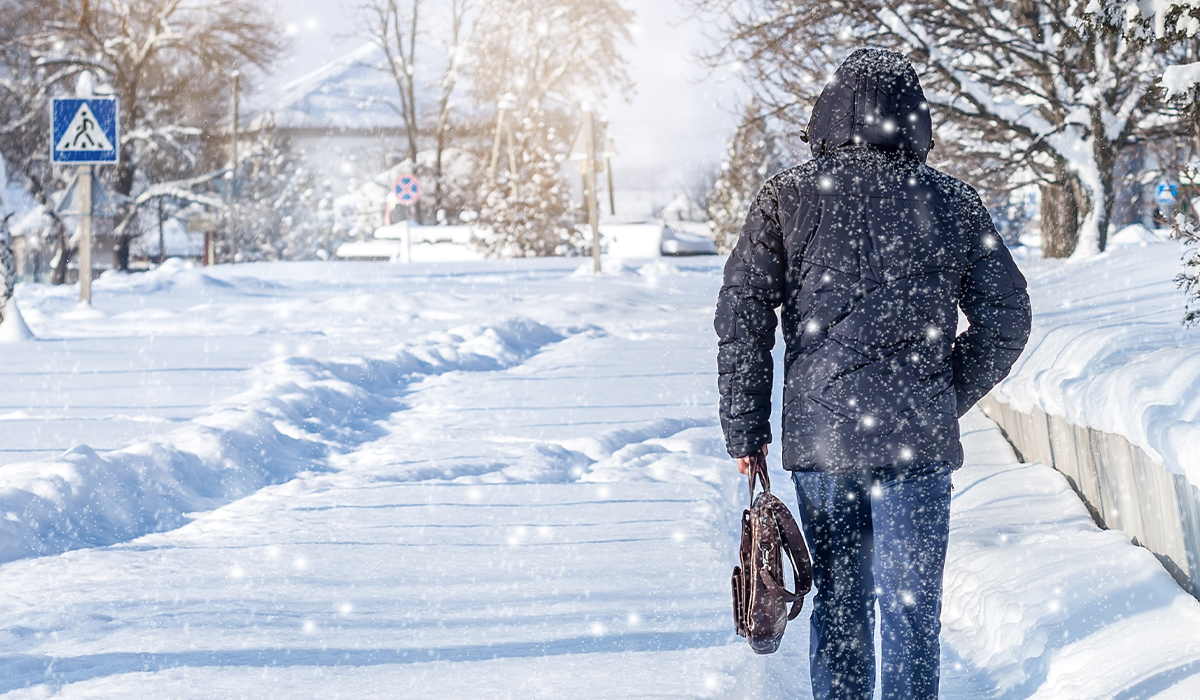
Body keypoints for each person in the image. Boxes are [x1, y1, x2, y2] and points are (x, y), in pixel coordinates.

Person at [714, 48, 1032, 699]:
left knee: (840, 609)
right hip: (915, 441)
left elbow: (744, 311)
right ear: (914, 119)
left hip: (824, 443)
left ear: (826, 114)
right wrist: (943, 393)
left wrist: (746, 425)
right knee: (912, 614)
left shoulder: (786, 197)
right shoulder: (953, 201)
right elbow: (1006, 317)